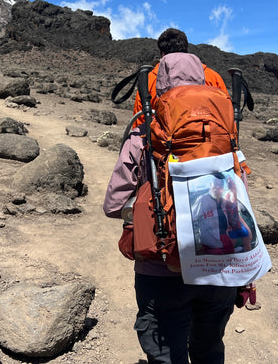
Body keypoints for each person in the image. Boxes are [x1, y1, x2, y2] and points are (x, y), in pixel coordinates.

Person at [104, 28, 237, 363]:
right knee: (209, 348)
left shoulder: (144, 130)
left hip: (162, 266)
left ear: (158, 78)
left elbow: (113, 204)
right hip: (220, 268)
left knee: (166, 351)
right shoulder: (225, 137)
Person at [131, 28, 228, 129]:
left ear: (163, 54)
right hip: (209, 141)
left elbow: (140, 122)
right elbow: (226, 116)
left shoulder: (149, 79)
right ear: (185, 50)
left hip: (164, 142)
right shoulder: (214, 77)